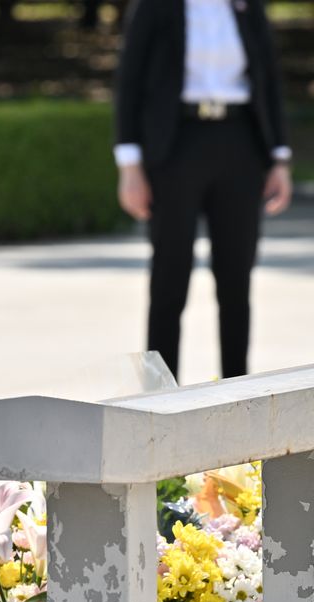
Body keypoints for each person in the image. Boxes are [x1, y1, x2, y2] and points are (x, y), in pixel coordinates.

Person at [115, 0, 292, 380]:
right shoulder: (154, 7)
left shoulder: (245, 6)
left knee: (236, 278)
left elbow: (268, 79)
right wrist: (129, 165)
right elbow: (129, 81)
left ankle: (237, 389)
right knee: (169, 277)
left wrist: (279, 158)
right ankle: (158, 397)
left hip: (240, 142)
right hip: (176, 145)